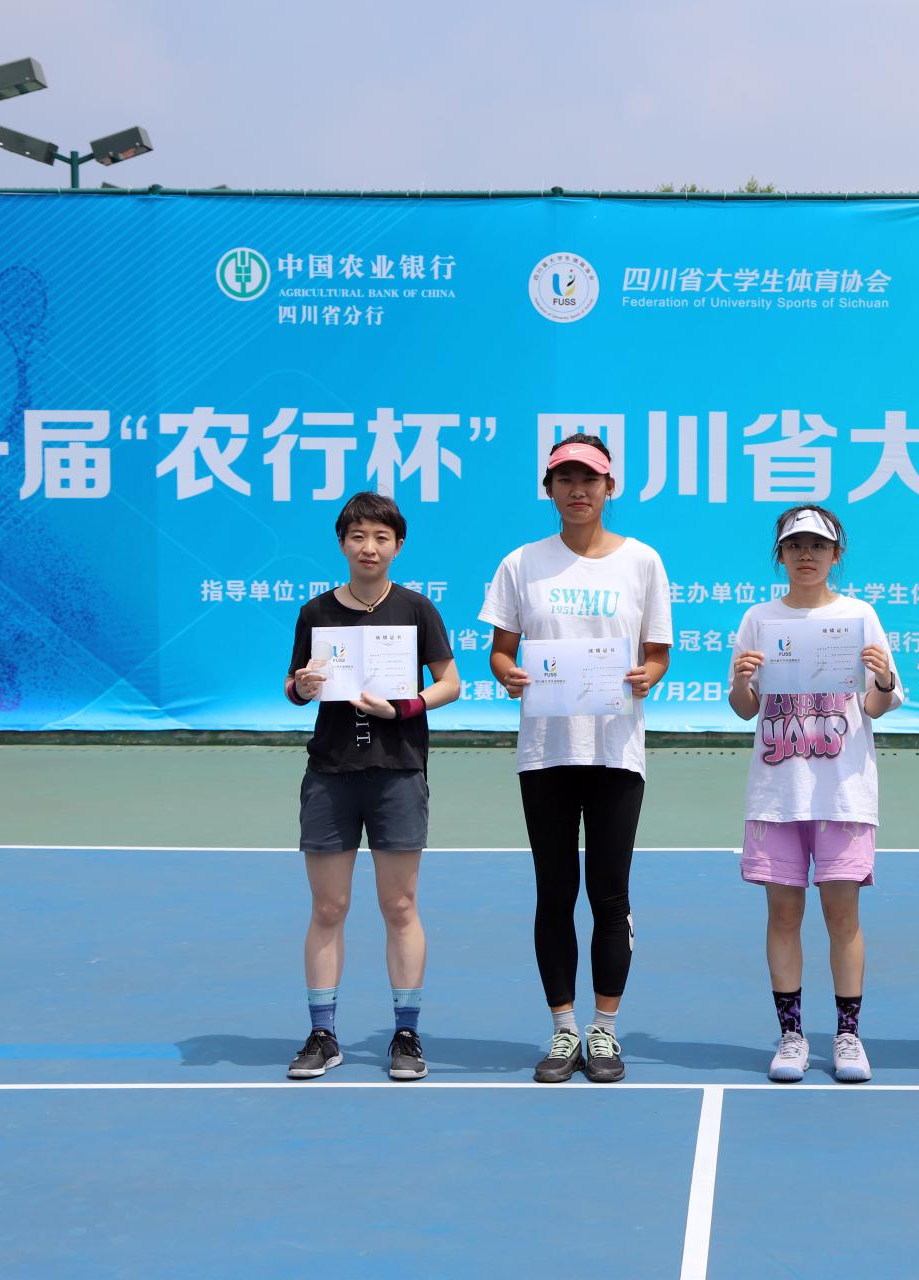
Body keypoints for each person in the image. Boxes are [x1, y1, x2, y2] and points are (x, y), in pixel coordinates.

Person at [481, 434, 673, 1083]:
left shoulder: (642, 561)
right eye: (564, 479)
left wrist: (647, 675)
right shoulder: (522, 563)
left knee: (610, 894)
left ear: (609, 487)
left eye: (589, 479)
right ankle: (564, 1029)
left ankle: (605, 1031)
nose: (577, 490)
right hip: (546, 752)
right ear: (549, 489)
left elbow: (657, 653)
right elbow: (502, 650)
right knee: (555, 892)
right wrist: (509, 674)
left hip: (616, 751)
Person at [283, 491, 460, 1081]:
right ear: (342, 543)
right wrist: (304, 686)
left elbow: (450, 683)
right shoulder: (315, 612)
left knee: (400, 905)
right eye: (358, 536)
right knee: (328, 906)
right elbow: (294, 685)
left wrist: (403, 707)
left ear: (398, 546)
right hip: (330, 774)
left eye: (381, 537)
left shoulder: (416, 609)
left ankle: (406, 1033)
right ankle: (322, 1033)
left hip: (398, 773)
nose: (369, 547)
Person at [727, 506, 901, 1084]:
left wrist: (882, 678)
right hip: (778, 794)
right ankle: (792, 1035)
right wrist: (742, 681)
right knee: (783, 914)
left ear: (835, 555)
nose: (806, 555)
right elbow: (745, 709)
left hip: (843, 793)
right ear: (780, 555)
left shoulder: (859, 616)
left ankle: (848, 1036)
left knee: (842, 915)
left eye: (818, 546)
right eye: (795, 545)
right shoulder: (759, 619)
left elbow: (877, 705)